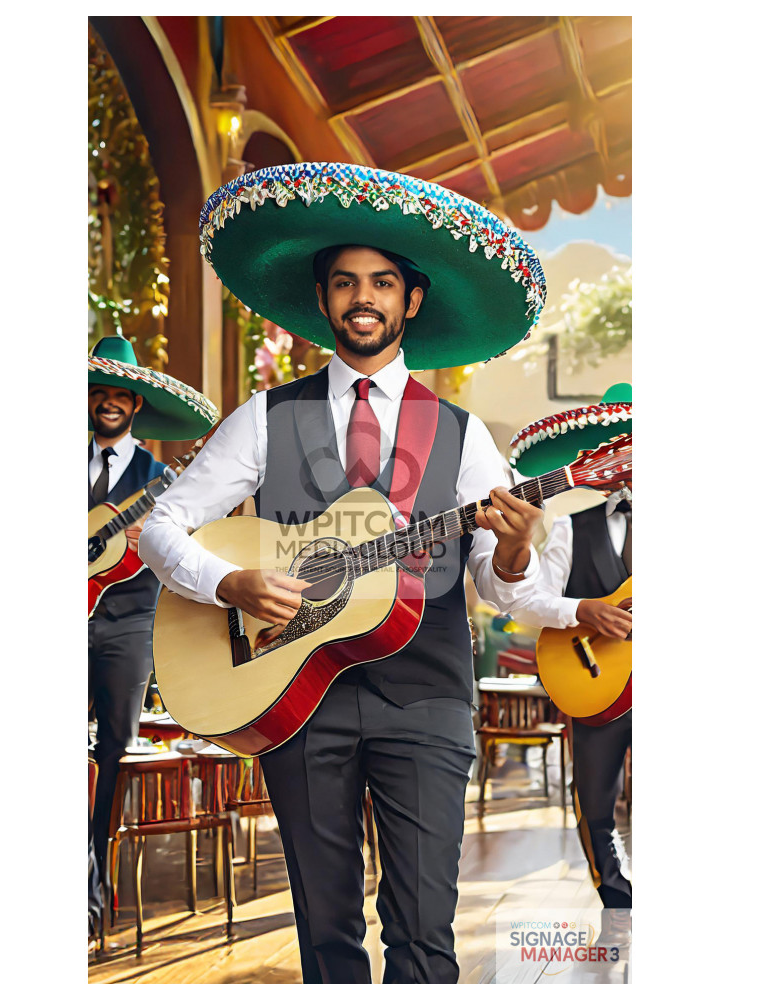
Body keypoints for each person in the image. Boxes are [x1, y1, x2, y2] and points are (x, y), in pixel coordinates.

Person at [140, 162, 562, 983]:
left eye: (380, 283)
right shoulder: (266, 418)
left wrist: (512, 549)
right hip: (295, 692)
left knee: (424, 933)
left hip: (429, 695)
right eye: (343, 283)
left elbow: (499, 583)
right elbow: (163, 525)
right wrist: (228, 583)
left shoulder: (466, 435)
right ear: (324, 300)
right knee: (326, 936)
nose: (361, 298)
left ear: (411, 301)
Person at [87, 335, 218, 945]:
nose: (110, 401)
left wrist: (156, 536)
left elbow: (194, 537)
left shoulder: (163, 477)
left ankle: (98, 883)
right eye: (100, 391)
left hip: (130, 621)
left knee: (116, 748)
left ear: (137, 404)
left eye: (122, 393)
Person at [507, 385, 633, 921]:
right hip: (594, 677)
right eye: (620, 448)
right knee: (594, 790)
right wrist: (582, 610)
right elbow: (530, 602)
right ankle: (615, 889)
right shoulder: (570, 527)